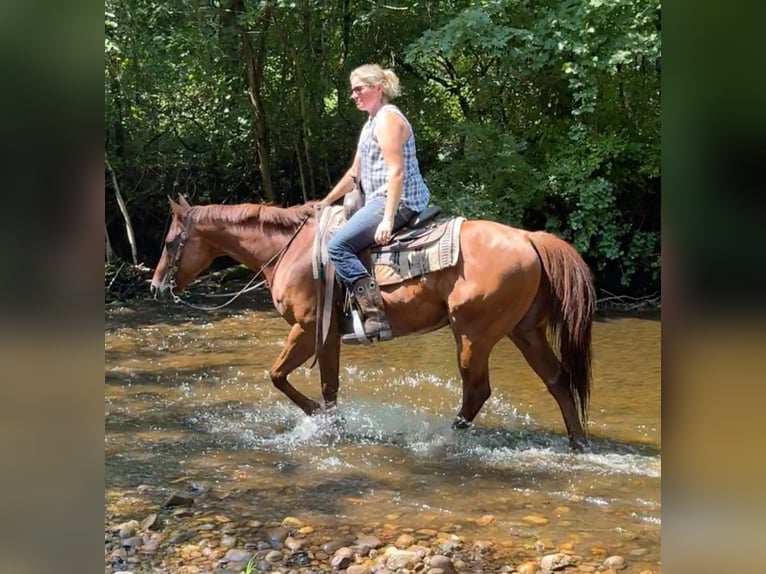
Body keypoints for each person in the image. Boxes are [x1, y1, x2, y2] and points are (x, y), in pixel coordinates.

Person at [317, 64, 431, 342]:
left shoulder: (388, 120)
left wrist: (388, 219)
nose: (353, 95)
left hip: (398, 199)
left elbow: (397, 172)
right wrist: (325, 201)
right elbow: (354, 174)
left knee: (338, 245)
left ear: (378, 88)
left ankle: (375, 316)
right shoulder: (371, 122)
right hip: (380, 197)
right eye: (352, 90)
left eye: (359, 89)